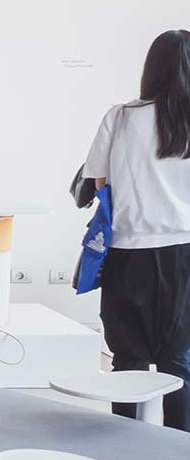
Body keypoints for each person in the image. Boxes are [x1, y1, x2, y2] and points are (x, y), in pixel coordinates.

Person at [83, 29, 190, 430]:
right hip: (182, 251)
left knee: (126, 358)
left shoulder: (121, 116)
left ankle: (124, 441)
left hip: (127, 250)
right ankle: (181, 449)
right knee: (178, 360)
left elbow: (99, 183)